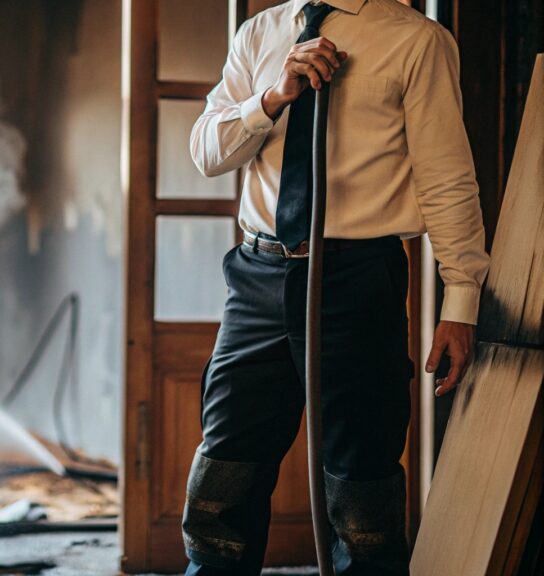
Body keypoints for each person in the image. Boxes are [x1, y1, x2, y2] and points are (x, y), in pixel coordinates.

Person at [182, 1, 489, 574]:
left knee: (360, 487)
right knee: (223, 471)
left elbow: (447, 178)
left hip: (356, 280)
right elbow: (205, 152)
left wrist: (461, 300)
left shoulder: (417, 41)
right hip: (258, 276)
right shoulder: (261, 32)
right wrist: (273, 96)